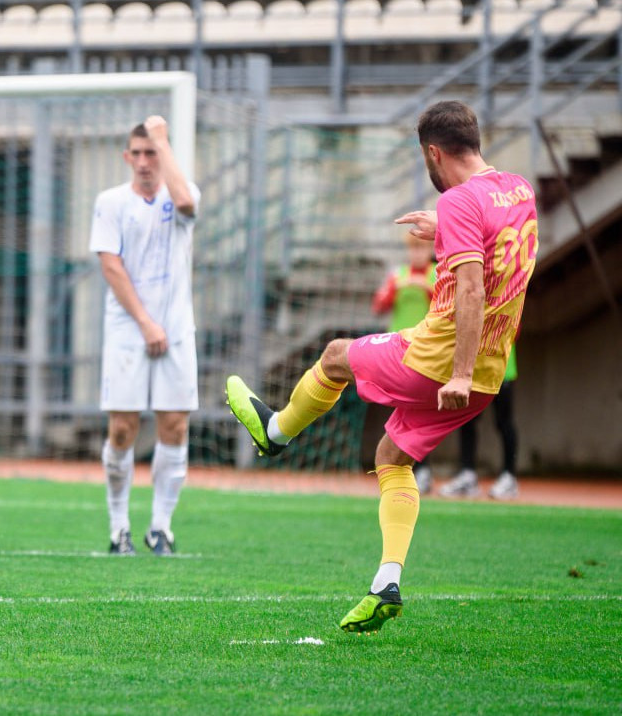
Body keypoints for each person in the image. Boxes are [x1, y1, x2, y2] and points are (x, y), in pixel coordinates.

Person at [225, 100, 538, 633]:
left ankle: (275, 433)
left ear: (433, 153)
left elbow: (467, 287)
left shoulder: (462, 200)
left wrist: (456, 371)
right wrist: (443, 225)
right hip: (490, 370)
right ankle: (386, 582)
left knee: (335, 355)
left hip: (438, 359)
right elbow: (498, 247)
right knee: (390, 456)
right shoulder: (518, 189)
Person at [91, 116, 201, 557]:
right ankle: (119, 527)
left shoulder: (183, 192)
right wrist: (144, 323)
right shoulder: (111, 201)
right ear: (125, 157)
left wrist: (163, 140)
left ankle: (161, 527)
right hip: (126, 328)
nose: (142, 161)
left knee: (174, 424)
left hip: (176, 327)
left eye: (151, 152)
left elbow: (187, 204)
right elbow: (110, 265)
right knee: (123, 429)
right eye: (135, 153)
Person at [369, 234, 437, 492]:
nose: (417, 253)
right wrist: (399, 287)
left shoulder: (437, 273)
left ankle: (424, 469)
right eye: (413, 248)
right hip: (399, 354)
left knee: (420, 415)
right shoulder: (398, 275)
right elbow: (379, 305)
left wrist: (425, 286)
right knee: (399, 414)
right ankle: (400, 469)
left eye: (422, 248)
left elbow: (447, 304)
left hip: (427, 353)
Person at [439, 349, 520, 499]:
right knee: (467, 420)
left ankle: (509, 476)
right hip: (478, 371)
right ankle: (467, 474)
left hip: (502, 369)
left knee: (504, 422)